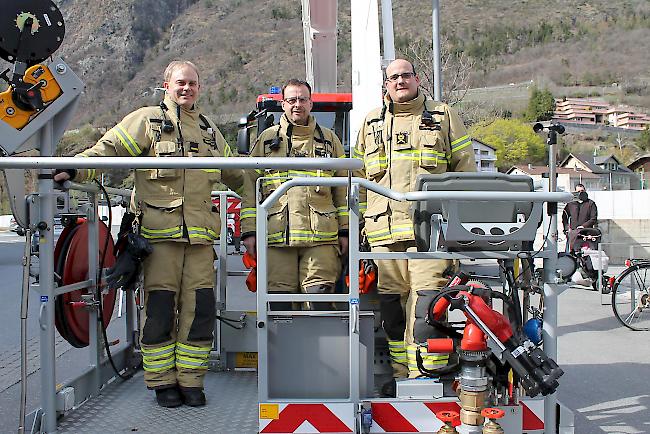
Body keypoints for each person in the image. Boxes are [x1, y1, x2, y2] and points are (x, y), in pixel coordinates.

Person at [54, 60, 242, 408]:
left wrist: (274, 192)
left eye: (193, 84)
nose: (187, 89)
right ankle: (162, 382)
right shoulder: (147, 120)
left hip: (200, 243)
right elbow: (108, 149)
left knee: (199, 310)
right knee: (159, 310)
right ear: (166, 84)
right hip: (157, 242)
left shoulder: (208, 129)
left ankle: (191, 380)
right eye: (181, 83)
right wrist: (75, 165)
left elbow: (238, 174)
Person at [353, 59, 476, 394]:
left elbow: (465, 172)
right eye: (393, 77)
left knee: (427, 307)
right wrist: (361, 226)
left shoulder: (443, 116)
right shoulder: (371, 122)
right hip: (383, 235)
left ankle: (428, 379)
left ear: (417, 78)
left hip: (430, 234)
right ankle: (400, 375)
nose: (400, 81)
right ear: (385, 85)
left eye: (405, 75)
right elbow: (361, 182)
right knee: (392, 312)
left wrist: (460, 228)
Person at [240, 79, 348, 310]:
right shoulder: (266, 140)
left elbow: (343, 191)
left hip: (322, 241)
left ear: (311, 103)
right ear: (283, 104)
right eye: (291, 100)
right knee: (280, 307)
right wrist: (249, 231)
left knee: (320, 302)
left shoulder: (330, 141)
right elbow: (250, 188)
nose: (297, 105)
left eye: (302, 99)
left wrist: (346, 230)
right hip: (277, 240)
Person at [562, 183, 598, 251]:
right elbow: (564, 217)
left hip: (586, 234)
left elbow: (593, 218)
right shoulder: (570, 204)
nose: (580, 193)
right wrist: (566, 229)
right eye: (578, 191)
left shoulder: (591, 204)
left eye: (582, 191)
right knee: (571, 252)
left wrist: (583, 226)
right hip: (573, 234)